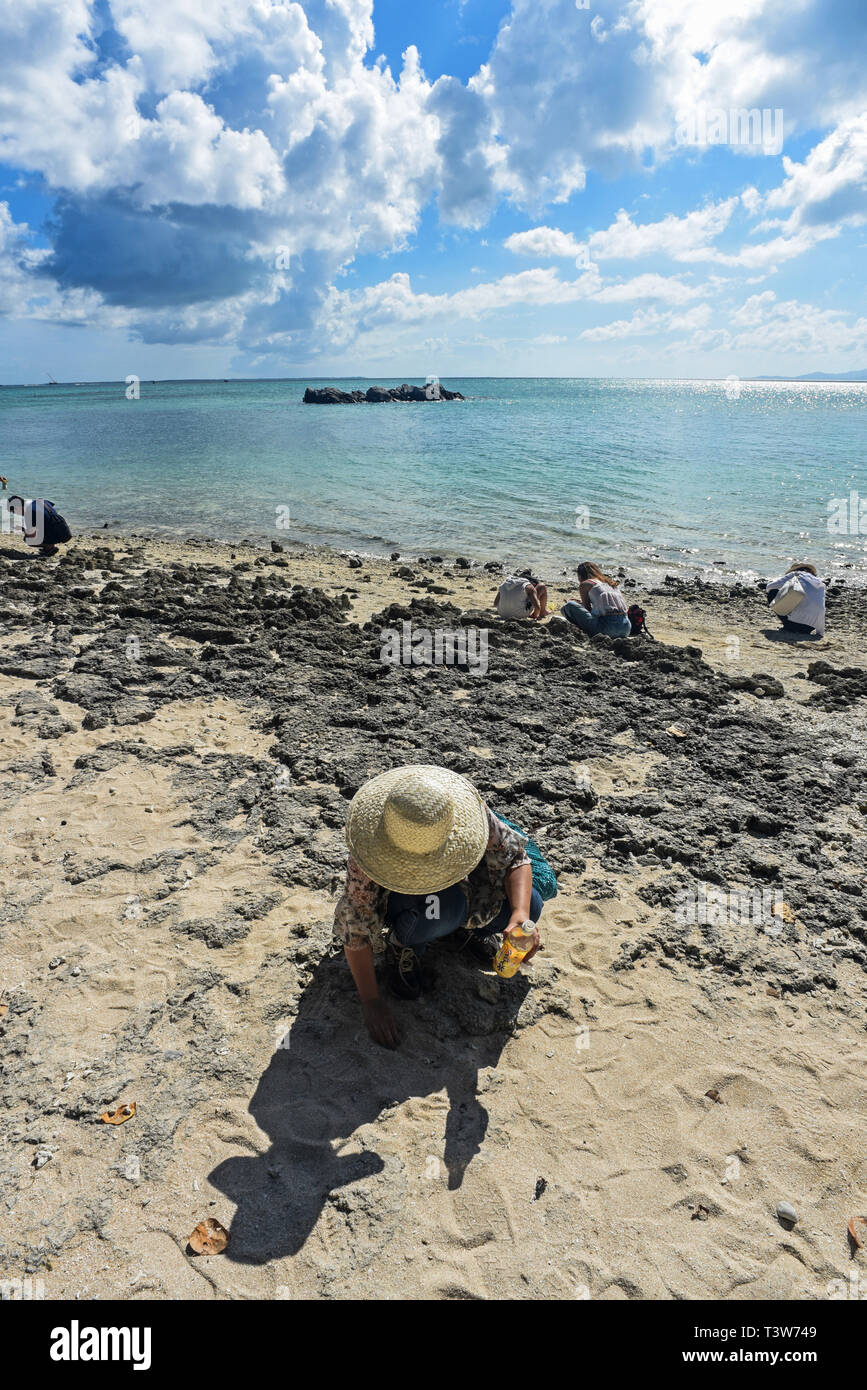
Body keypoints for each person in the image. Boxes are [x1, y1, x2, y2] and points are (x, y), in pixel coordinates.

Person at [333, 764, 544, 1048]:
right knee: (444, 908)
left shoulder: (461, 811)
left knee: (531, 902)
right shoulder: (369, 852)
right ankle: (403, 945)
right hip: (410, 905)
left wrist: (519, 915)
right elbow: (354, 926)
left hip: (465, 890)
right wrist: (371, 1001)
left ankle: (469, 933)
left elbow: (515, 857)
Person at [2, 480, 71, 556]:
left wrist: (23, 530)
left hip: (56, 535)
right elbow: (49, 511)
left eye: (14, 512)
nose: (16, 514)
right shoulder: (40, 501)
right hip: (64, 531)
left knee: (28, 539)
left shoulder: (30, 512)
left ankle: (49, 548)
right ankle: (48, 546)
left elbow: (32, 534)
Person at [562, 561, 631, 637]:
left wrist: (578, 605)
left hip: (607, 629)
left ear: (580, 575)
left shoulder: (585, 584)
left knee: (568, 606)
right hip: (626, 628)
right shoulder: (610, 583)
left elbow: (588, 609)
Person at [765, 563, 826, 637]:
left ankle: (788, 624)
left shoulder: (795, 574)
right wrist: (819, 632)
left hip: (793, 624)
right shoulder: (821, 583)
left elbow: (770, 587)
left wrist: (784, 592)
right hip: (811, 628)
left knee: (773, 592)